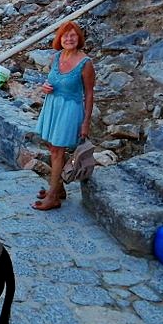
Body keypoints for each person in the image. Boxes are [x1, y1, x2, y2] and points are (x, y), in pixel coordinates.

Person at [33, 21, 95, 211]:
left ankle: (53, 197)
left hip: (70, 109)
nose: (69, 39)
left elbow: (90, 94)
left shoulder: (85, 63)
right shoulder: (56, 57)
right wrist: (45, 87)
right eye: (65, 35)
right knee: (50, 145)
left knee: (57, 151)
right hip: (52, 106)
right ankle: (58, 188)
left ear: (79, 39)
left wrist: (86, 122)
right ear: (59, 39)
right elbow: (51, 81)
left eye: (73, 35)